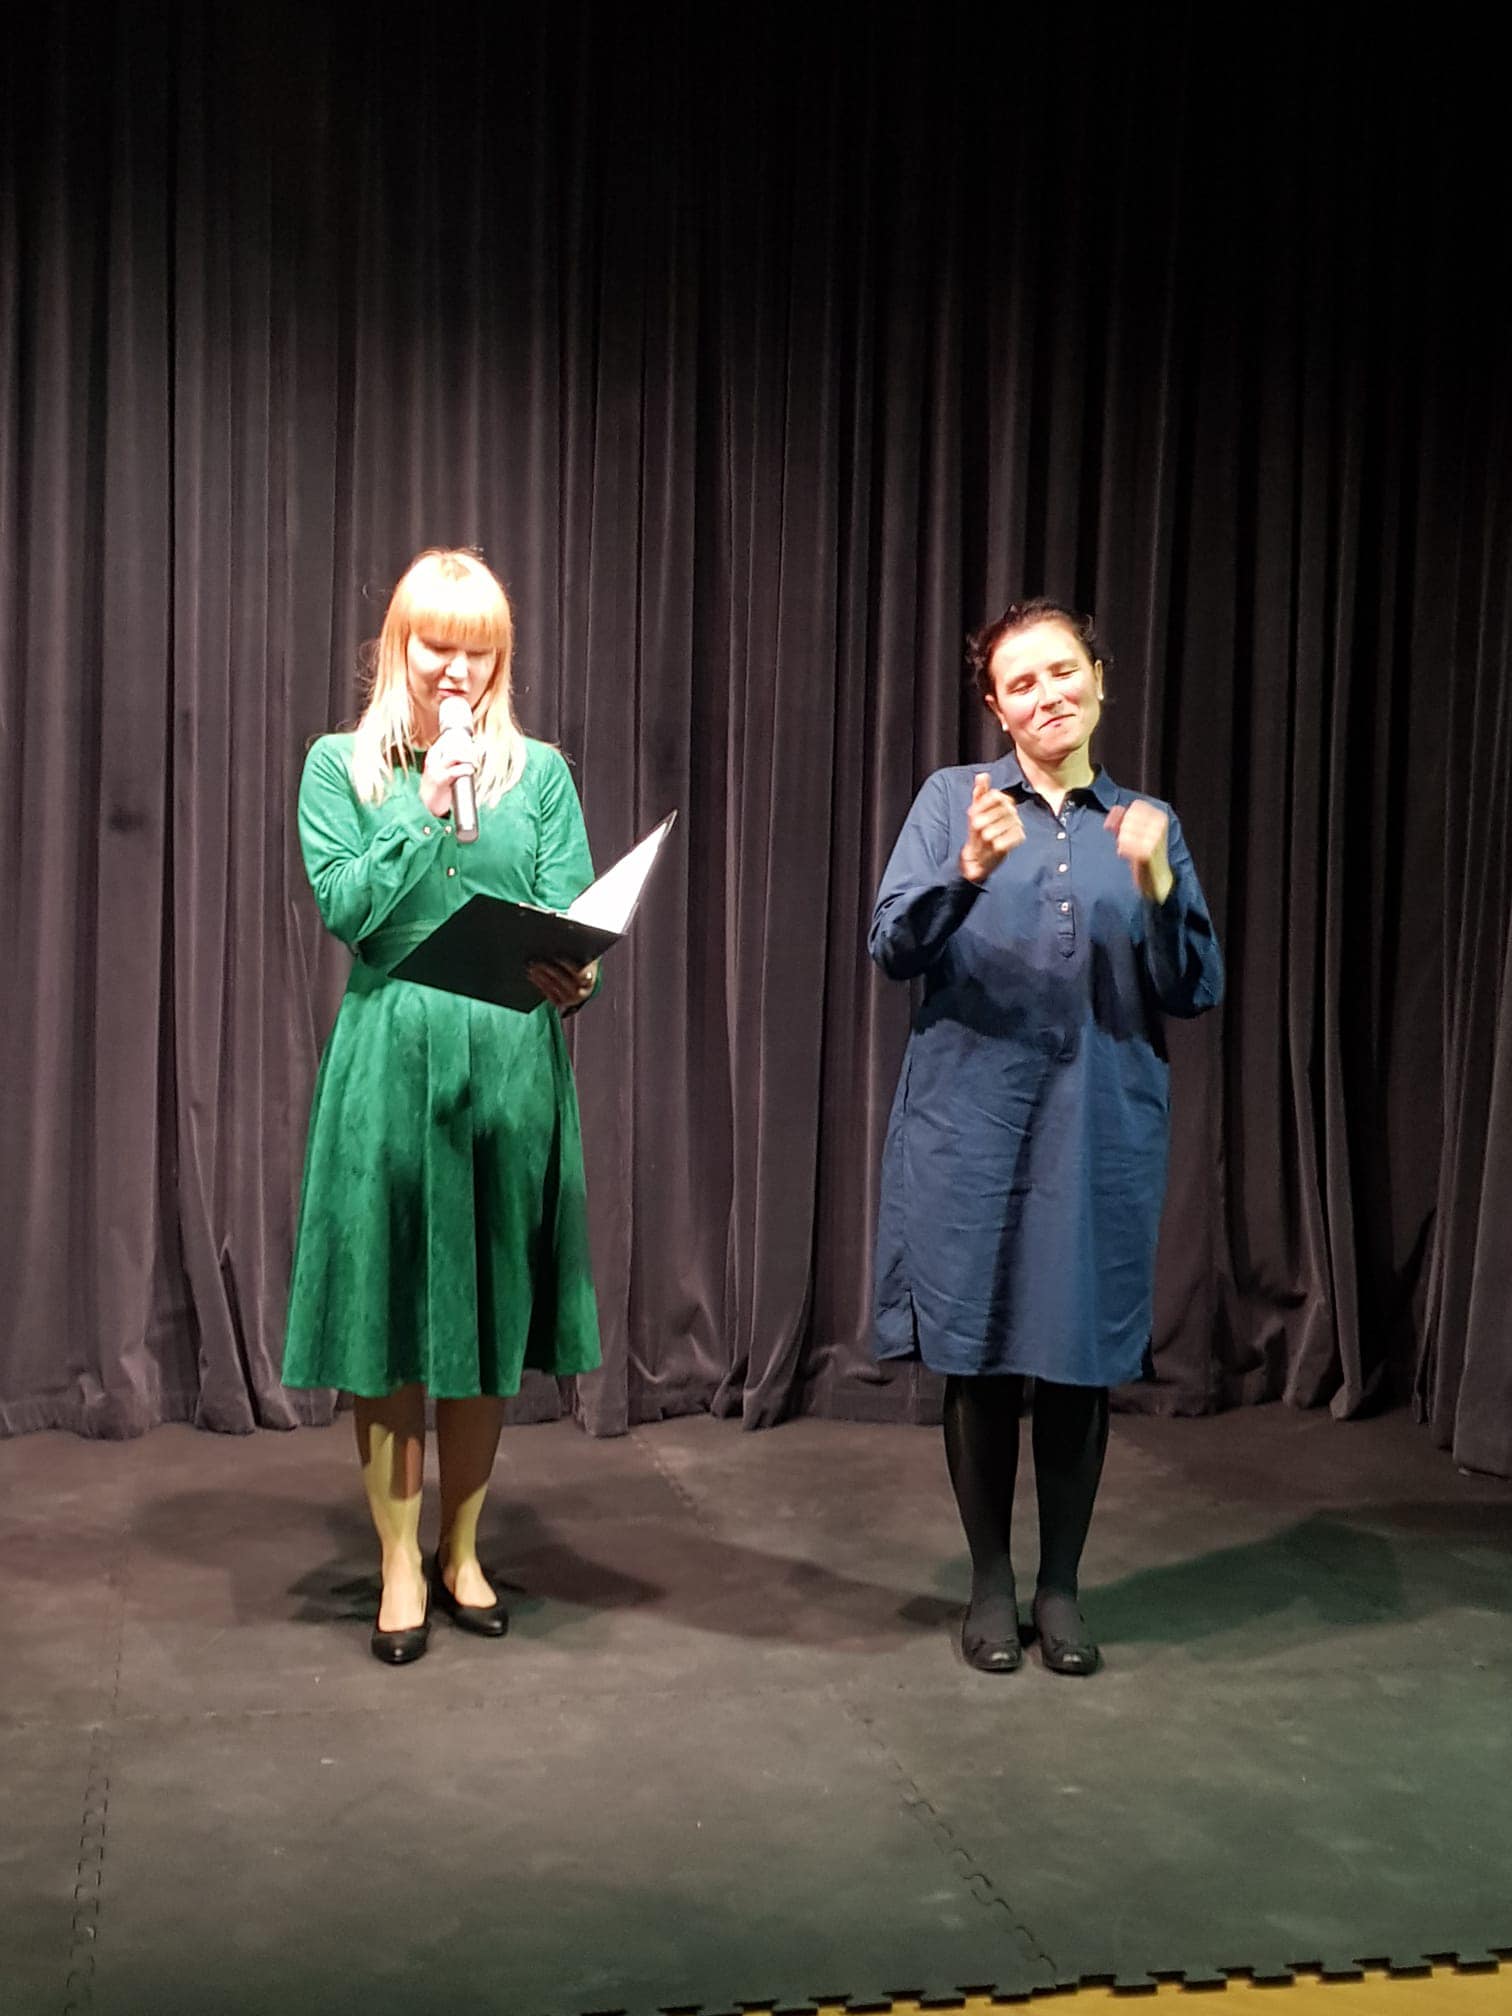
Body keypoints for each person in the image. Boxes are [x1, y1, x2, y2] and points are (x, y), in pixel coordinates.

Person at [869, 599, 1223, 1676]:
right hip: (972, 1125)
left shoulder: (1147, 820)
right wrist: (967, 870)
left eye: (1062, 672)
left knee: (1077, 1363)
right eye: (1019, 683)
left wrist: (1159, 881)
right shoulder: (954, 801)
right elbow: (891, 944)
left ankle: (1060, 1587)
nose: (1046, 695)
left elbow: (1195, 986)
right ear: (997, 707)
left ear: (1099, 679)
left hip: (1098, 1126)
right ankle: (991, 1583)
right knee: (979, 1357)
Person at [283, 548, 602, 1666]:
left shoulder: (541, 774)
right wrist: (423, 809)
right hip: (390, 1062)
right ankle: (399, 1562)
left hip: (508, 1069)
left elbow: (569, 910)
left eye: (479, 652)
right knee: (392, 1320)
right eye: (437, 647)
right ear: (400, 647)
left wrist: (577, 973)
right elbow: (348, 908)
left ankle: (464, 1550)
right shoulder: (341, 767)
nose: (457, 671)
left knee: (488, 1313)